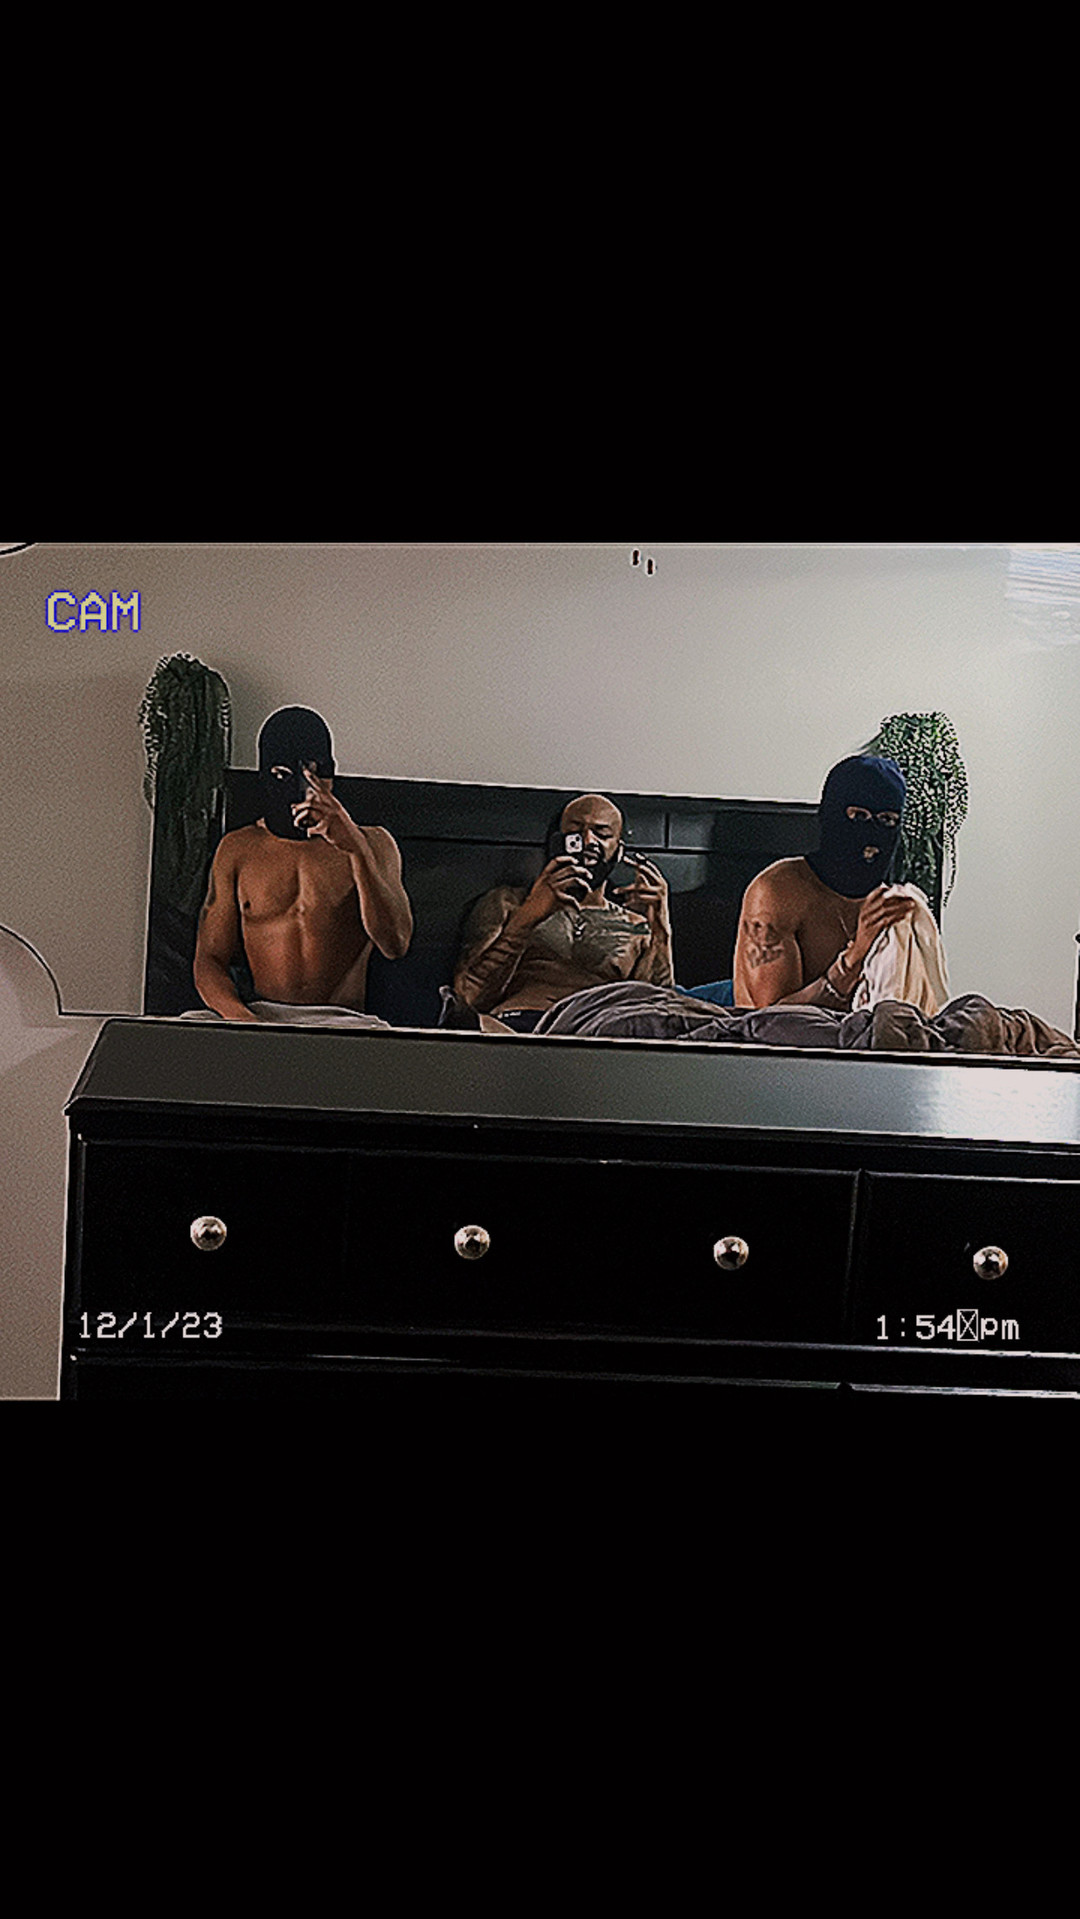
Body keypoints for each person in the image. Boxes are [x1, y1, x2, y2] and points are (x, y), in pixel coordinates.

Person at [194, 707, 413, 1023]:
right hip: (262, 1015)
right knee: (186, 1028)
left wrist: (356, 850)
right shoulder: (238, 849)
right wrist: (243, 1019)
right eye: (285, 774)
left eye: (317, 772)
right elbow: (210, 959)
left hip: (343, 1020)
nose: (305, 786)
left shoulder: (374, 843)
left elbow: (396, 944)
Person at [733, 754, 943, 1013]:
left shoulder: (888, 904)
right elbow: (768, 1019)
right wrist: (854, 958)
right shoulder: (776, 892)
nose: (872, 834)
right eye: (859, 816)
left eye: (887, 820)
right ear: (830, 816)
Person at [452, 793, 673, 1032]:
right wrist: (527, 917)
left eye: (601, 834)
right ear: (556, 842)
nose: (588, 841)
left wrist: (661, 929)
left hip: (595, 1032)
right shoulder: (508, 902)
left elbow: (656, 1013)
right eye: (576, 831)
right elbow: (469, 998)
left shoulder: (636, 926)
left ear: (618, 851)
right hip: (515, 1026)